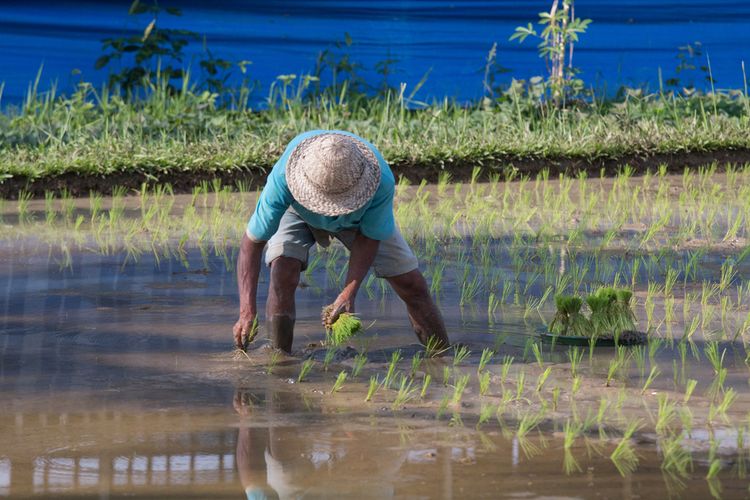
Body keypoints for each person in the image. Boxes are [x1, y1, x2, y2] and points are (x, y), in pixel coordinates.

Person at [233, 130, 450, 353]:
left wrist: (349, 293)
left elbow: (369, 237)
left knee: (411, 283)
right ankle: (280, 360)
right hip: (297, 209)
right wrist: (246, 311)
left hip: (357, 214)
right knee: (283, 272)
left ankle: (443, 358)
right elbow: (252, 242)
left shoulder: (378, 181)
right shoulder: (285, 178)